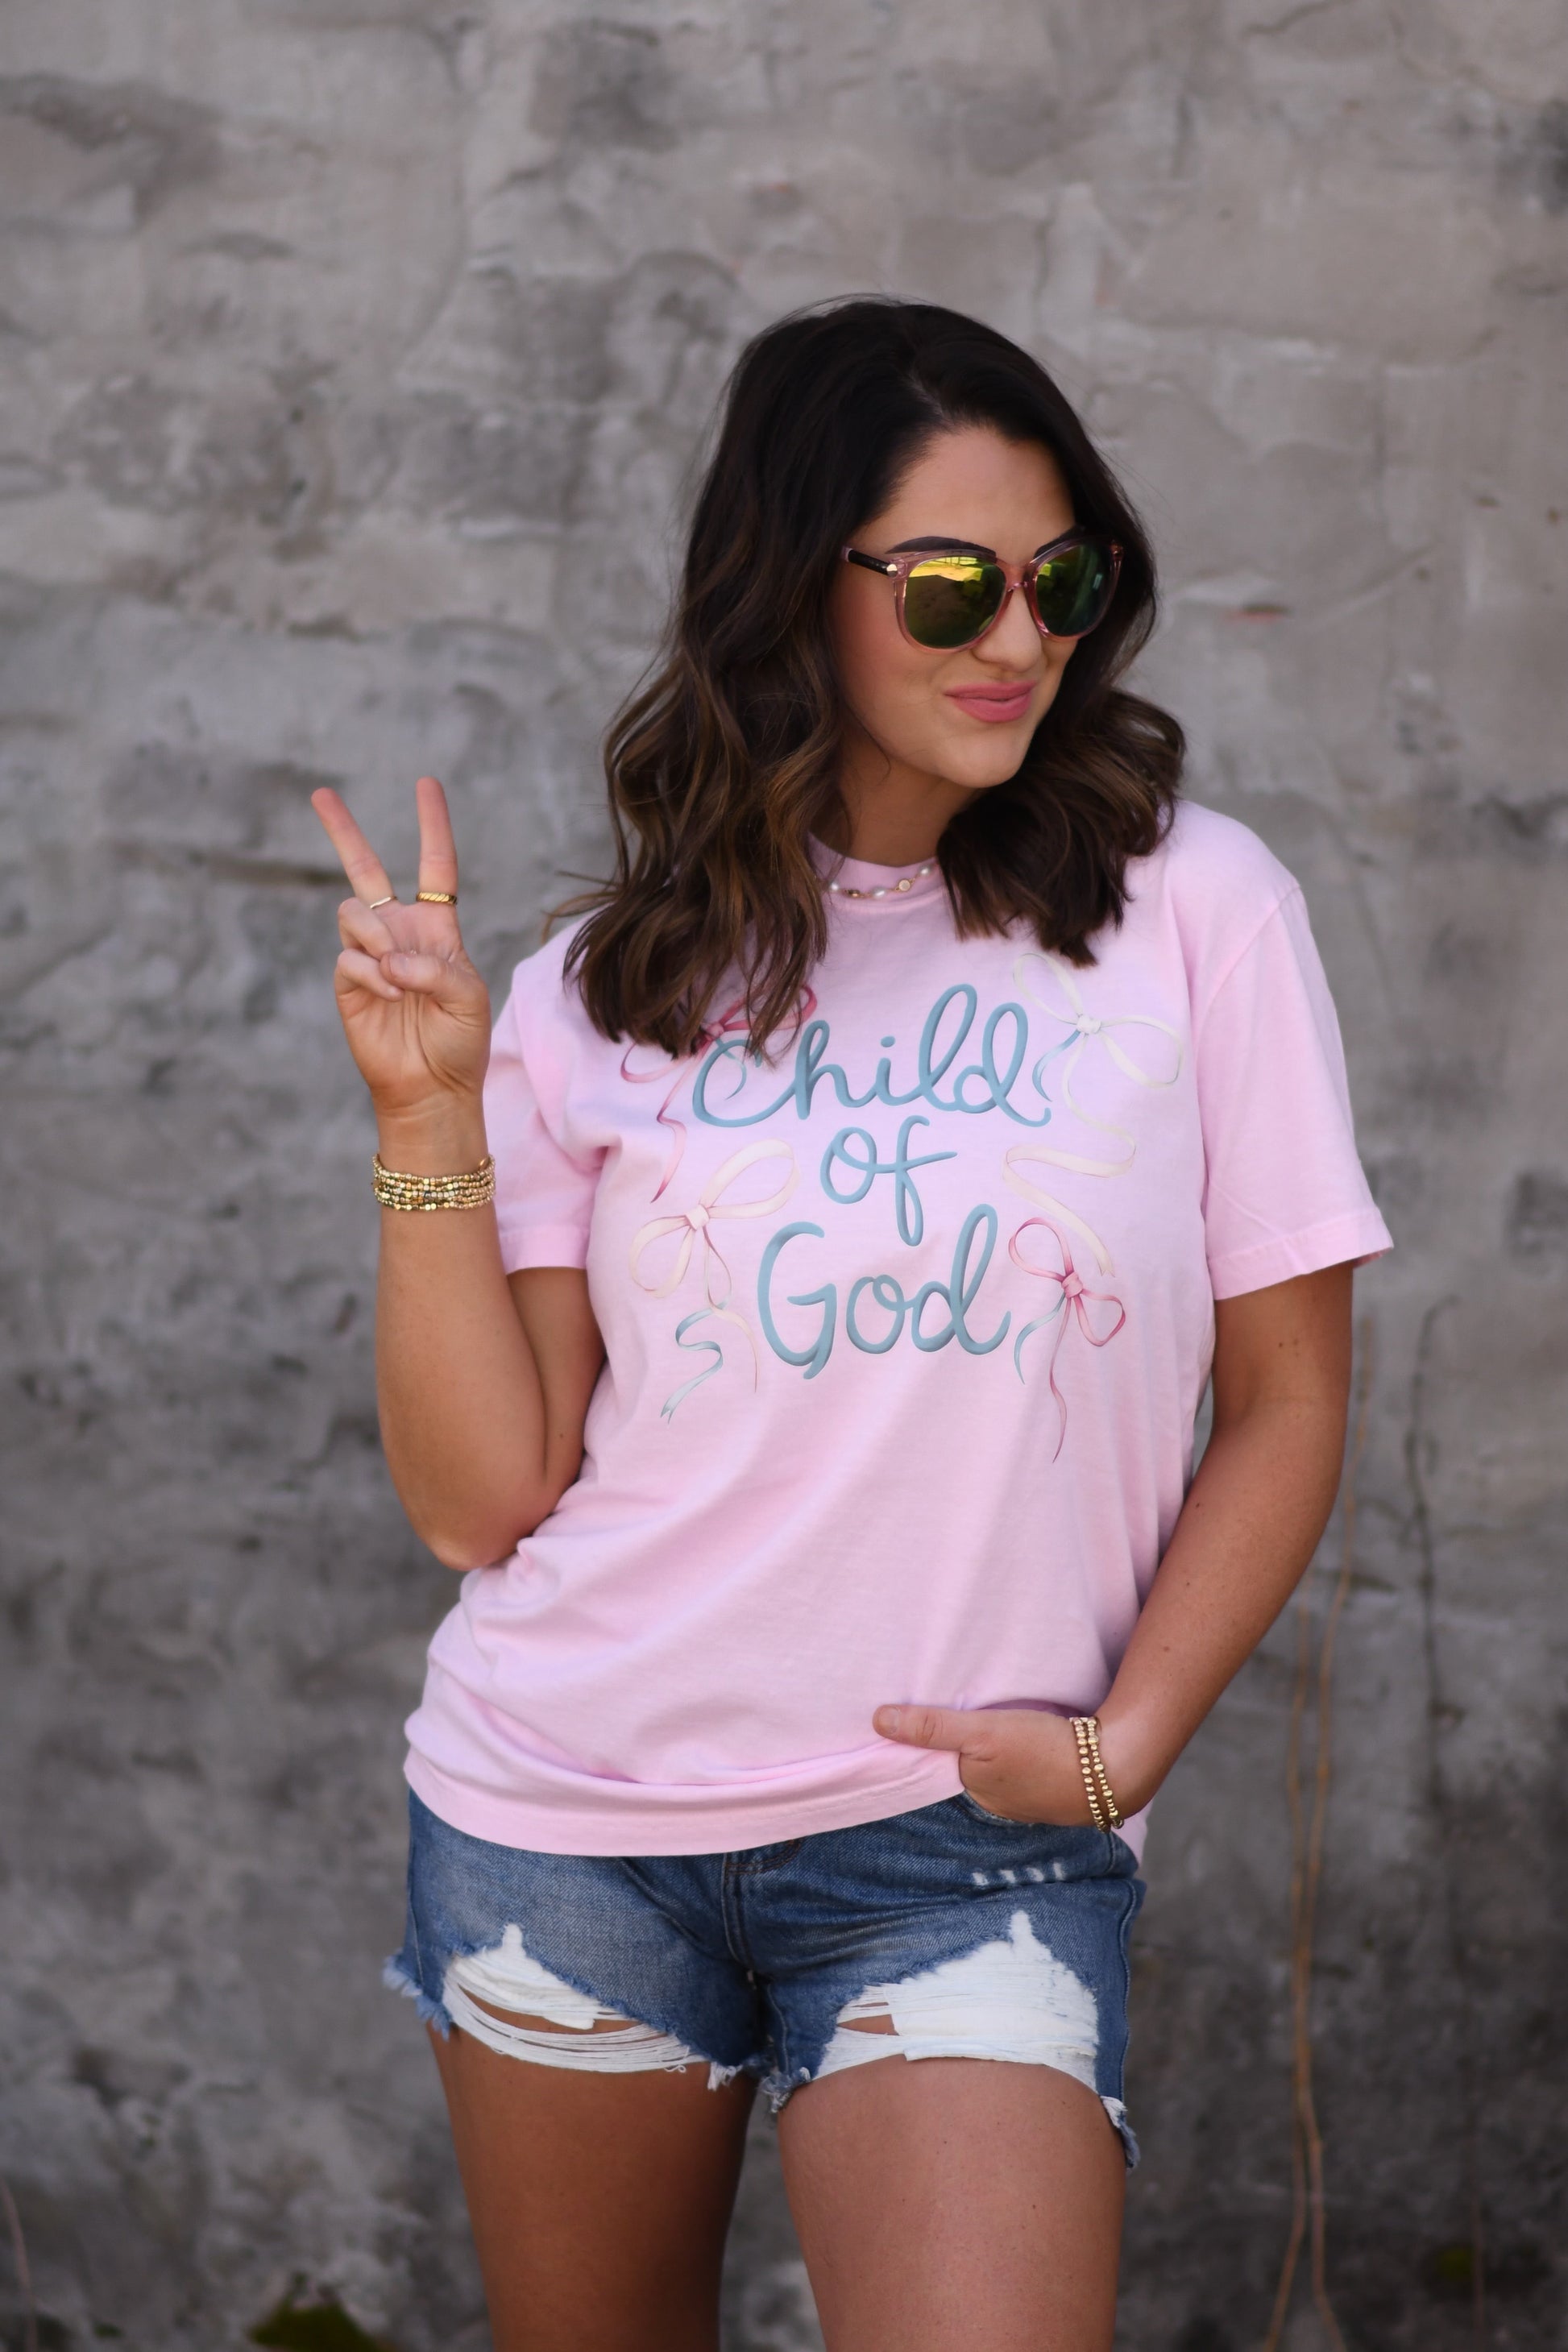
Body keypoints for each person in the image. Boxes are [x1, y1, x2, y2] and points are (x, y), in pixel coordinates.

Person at [312, 297, 1392, 2352]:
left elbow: (1285, 1400)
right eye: (954, 585)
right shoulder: (601, 989)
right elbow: (481, 1499)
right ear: (793, 588)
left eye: (1063, 580)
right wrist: (427, 1116)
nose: (1020, 638)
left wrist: (1118, 1750)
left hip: (969, 1834)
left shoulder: (1194, 908)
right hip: (574, 1825)